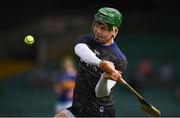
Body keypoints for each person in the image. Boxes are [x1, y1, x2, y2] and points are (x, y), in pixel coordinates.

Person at [55, 7, 128, 117]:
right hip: (78, 108)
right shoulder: (86, 40)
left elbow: (100, 93)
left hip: (99, 113)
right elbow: (80, 50)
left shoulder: (119, 59)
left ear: (114, 31)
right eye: (96, 25)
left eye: (103, 28)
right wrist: (101, 64)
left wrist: (104, 77)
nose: (97, 31)